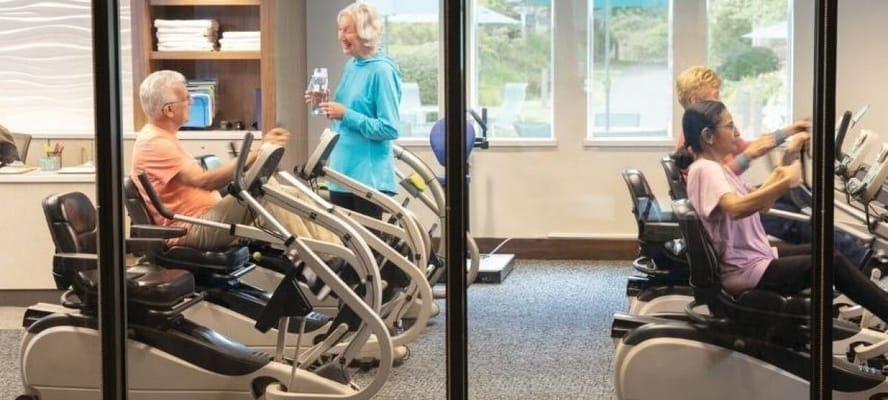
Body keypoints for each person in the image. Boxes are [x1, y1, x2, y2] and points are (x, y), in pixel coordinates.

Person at [682, 100, 888, 322]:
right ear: (708, 136)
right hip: (745, 270)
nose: (737, 132)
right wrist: (785, 182)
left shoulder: (716, 169)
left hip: (754, 260)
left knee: (825, 249)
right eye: (730, 126)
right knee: (832, 262)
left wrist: (788, 157)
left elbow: (763, 202)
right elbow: (735, 208)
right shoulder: (706, 169)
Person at [673, 65, 872, 267]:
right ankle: (862, 259)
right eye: (715, 96)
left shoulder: (705, 132)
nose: (720, 102)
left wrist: (790, 131)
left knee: (799, 197)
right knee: (800, 220)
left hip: (737, 196)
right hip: (729, 216)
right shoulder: (695, 141)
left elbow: (749, 146)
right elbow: (718, 179)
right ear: (695, 101)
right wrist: (753, 156)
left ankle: (853, 249)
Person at [132, 69, 338, 251]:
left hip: (205, 216)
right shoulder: (154, 142)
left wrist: (256, 156)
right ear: (168, 110)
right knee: (264, 189)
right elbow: (205, 182)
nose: (192, 101)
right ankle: (324, 259)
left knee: (289, 192)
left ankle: (334, 250)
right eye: (187, 98)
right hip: (192, 228)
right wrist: (258, 152)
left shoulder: (164, 137)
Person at [306, 2, 402, 219]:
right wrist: (324, 101)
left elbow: (389, 128)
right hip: (341, 174)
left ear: (365, 31)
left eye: (347, 30)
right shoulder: (353, 65)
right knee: (346, 249)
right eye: (339, 29)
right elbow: (347, 112)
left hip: (366, 179)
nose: (340, 36)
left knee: (367, 250)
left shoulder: (382, 71)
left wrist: (346, 114)